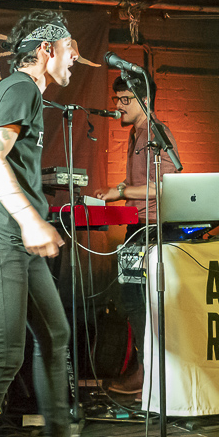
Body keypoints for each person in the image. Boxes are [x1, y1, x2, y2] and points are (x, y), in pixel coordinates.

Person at [0, 10, 118, 437]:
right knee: (5, 355)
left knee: (55, 333)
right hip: (5, 234)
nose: (75, 59)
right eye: (70, 50)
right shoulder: (21, 88)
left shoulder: (13, 92)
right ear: (47, 49)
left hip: (8, 232)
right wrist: (23, 218)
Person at [93, 73, 178, 396]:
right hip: (138, 228)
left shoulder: (155, 133)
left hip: (153, 230)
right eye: (116, 99)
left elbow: (164, 186)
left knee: (142, 301)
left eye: (125, 100)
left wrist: (120, 192)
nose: (118, 106)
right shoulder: (137, 133)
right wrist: (121, 192)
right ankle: (146, 371)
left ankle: (152, 375)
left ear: (145, 101)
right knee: (132, 299)